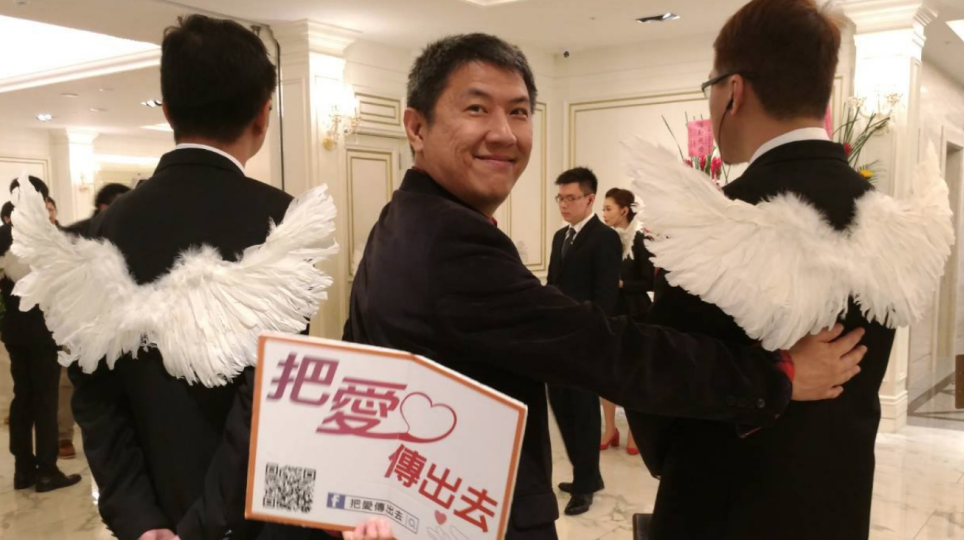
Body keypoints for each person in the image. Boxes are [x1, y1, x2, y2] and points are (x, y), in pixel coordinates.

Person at [344, 32, 867, 540]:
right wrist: (775, 375)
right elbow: (603, 348)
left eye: (519, 112)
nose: (504, 133)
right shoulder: (449, 241)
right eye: (477, 108)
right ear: (416, 127)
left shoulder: (403, 216)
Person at [625, 1, 953, 539]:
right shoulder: (897, 222)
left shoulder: (711, 224)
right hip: (838, 505)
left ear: (734, 90)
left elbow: (662, 400)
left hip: (720, 514)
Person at [545, 167, 620, 515]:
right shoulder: (560, 237)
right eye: (560, 198)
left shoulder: (604, 238)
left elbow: (605, 298)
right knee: (561, 406)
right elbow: (552, 285)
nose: (563, 204)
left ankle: (585, 483)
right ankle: (587, 474)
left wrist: (589, 339)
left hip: (585, 342)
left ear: (590, 199)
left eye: (570, 198)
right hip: (557, 339)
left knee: (584, 413)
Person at [0, 176, 81, 493]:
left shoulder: (3, 234)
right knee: (46, 399)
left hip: (13, 329)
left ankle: (23, 470)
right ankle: (47, 470)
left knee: (23, 397)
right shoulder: (44, 235)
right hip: (43, 328)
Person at [56, 183, 132, 460]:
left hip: (121, 324)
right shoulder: (77, 233)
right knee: (72, 383)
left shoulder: (131, 232)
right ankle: (63, 436)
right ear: (104, 207)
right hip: (81, 322)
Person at [599, 187, 654, 456]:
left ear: (623, 210)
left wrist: (623, 284)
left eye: (608, 208)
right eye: (603, 208)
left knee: (633, 372)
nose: (604, 213)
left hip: (636, 312)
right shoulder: (603, 239)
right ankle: (610, 428)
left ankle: (634, 432)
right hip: (609, 310)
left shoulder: (641, 240)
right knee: (606, 371)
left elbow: (650, 281)